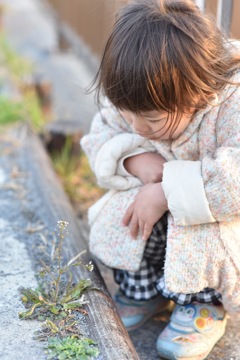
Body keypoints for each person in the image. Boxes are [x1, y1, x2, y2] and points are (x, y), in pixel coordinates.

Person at [80, 0, 240, 359]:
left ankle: (202, 305)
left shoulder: (230, 100)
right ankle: (143, 291)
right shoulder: (135, 91)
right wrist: (133, 159)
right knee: (125, 215)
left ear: (197, 94)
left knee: (202, 231)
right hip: (156, 222)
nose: (137, 127)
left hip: (215, 222)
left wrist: (168, 188)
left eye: (151, 122)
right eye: (128, 114)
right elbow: (99, 136)